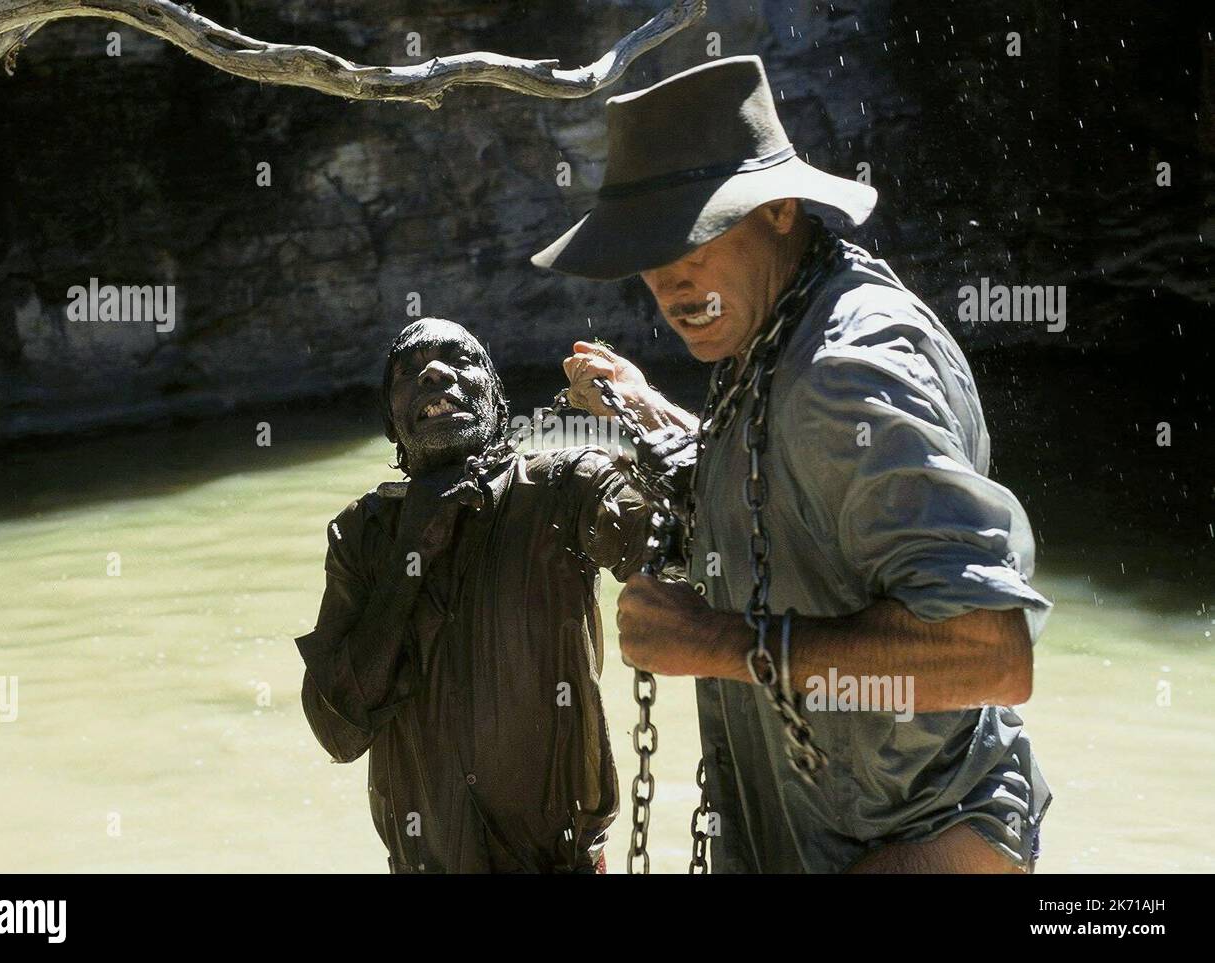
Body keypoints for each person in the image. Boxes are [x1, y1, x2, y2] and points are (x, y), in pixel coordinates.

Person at [536, 55, 1053, 873]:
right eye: (647, 248)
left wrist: (715, 641)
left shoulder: (848, 370)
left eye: (694, 235)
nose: (671, 280)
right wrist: (655, 415)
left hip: (912, 845)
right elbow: (791, 491)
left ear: (777, 208)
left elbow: (987, 652)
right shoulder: (789, 323)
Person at [294, 317, 649, 873]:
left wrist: (639, 413)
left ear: (496, 401)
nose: (433, 372)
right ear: (393, 421)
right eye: (408, 372)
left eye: (458, 359)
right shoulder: (361, 535)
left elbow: (677, 543)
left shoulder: (566, 488)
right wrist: (411, 551)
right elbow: (337, 730)